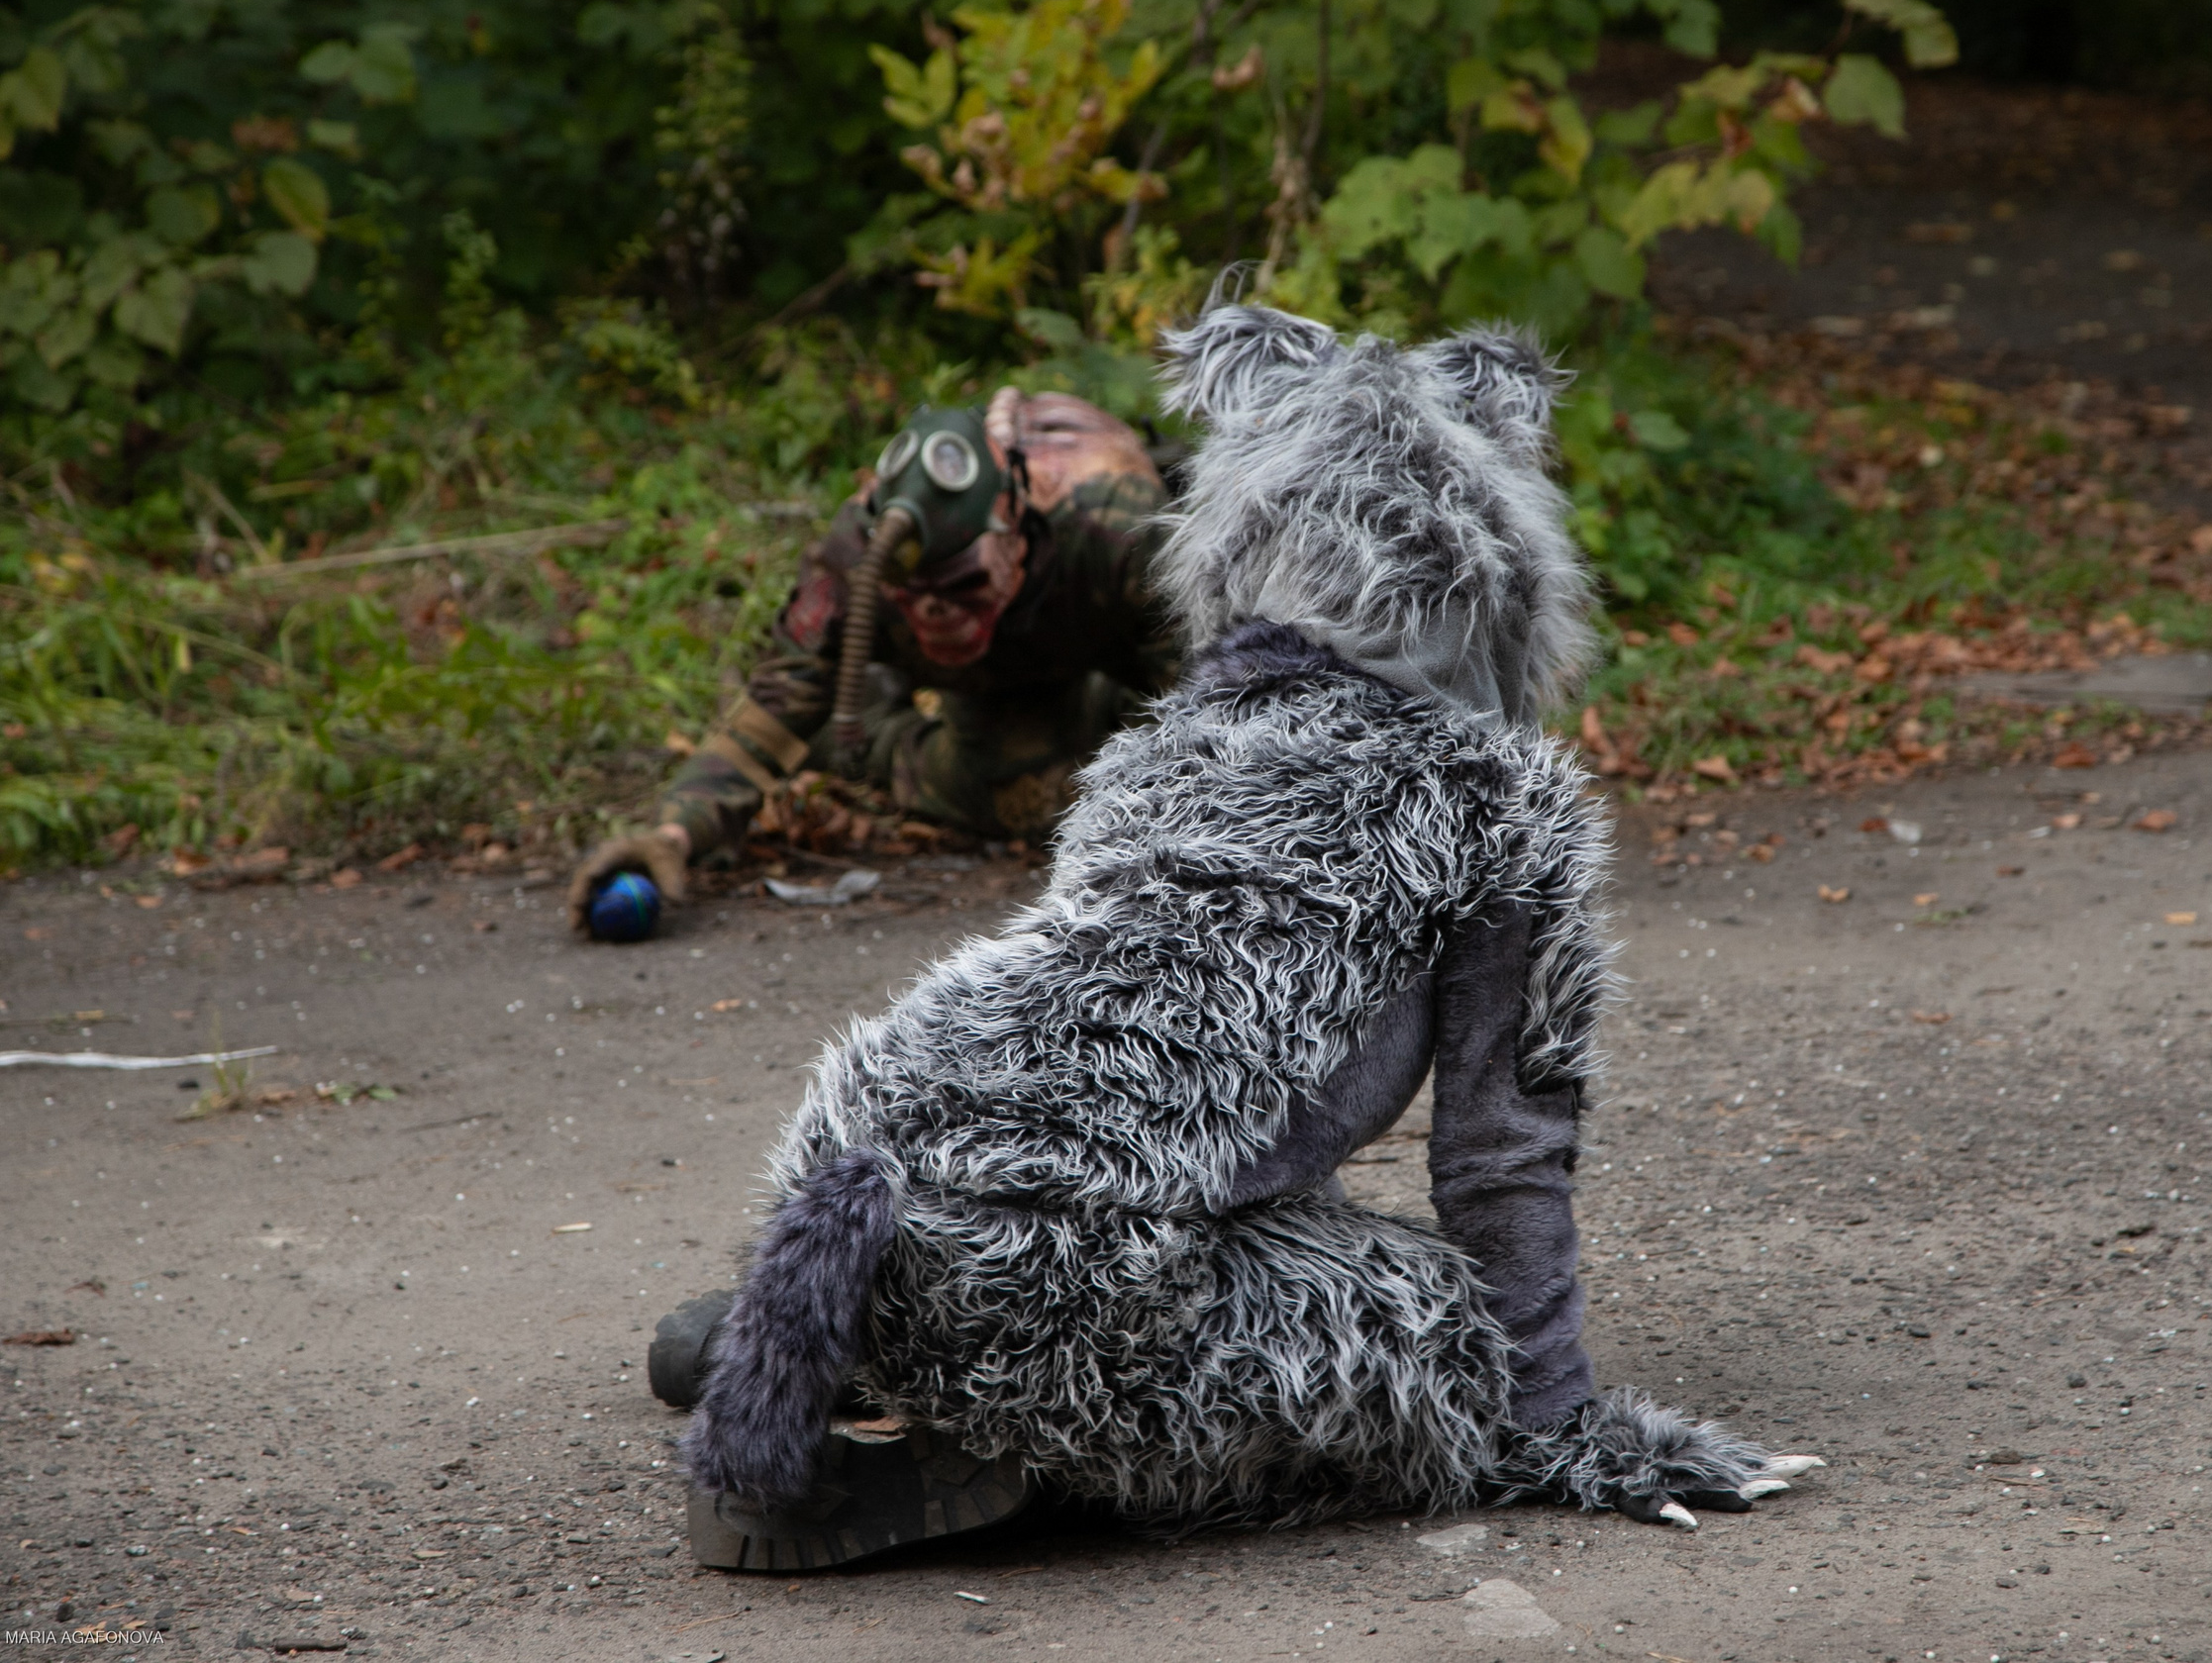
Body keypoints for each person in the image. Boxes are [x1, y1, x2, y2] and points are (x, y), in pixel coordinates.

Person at [662, 305, 1822, 1571]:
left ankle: (839, 1335)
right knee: (1437, 1334)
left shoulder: (1147, 753)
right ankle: (1013, 1470)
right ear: (1494, 563)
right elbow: (1501, 1157)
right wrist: (1549, 1422)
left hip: (849, 1159)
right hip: (1070, 1275)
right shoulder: (1498, 799)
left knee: (1165, 1175)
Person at [566, 389, 1173, 934]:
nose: (939, 612)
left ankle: (1098, 714)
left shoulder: (1117, 528)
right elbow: (777, 707)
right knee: (1029, 798)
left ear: (1010, 533)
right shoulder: (853, 558)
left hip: (1114, 646)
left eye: (962, 586)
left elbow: (1217, 688)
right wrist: (674, 834)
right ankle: (865, 719)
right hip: (994, 683)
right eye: (915, 593)